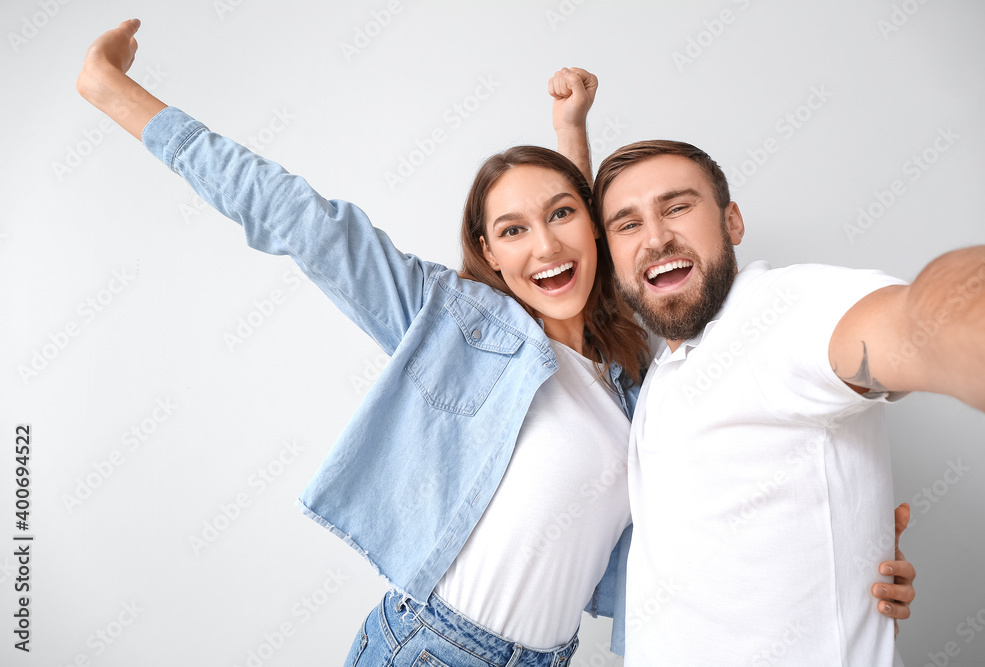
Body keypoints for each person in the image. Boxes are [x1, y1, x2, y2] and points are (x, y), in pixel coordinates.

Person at [76, 19, 916, 665]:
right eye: (509, 230)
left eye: (560, 217)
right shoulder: (453, 323)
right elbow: (301, 222)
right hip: (433, 647)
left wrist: (855, 559)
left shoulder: (639, 379)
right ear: (487, 253)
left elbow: (714, 509)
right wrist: (120, 94)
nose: (543, 247)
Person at [586, 137, 985, 665]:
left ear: (731, 222)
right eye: (628, 224)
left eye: (678, 207)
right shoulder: (665, 367)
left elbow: (921, 320)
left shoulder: (780, 313)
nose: (656, 238)